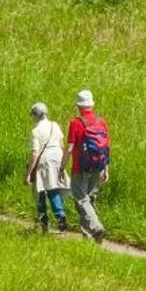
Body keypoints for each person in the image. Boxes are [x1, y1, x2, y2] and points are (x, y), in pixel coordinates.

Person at [67, 89, 110, 242]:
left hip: (80, 168)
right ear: (91, 105)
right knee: (90, 200)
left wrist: (61, 167)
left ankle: (96, 227)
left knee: (81, 199)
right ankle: (90, 237)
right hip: (98, 166)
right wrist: (106, 168)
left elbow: (70, 148)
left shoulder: (76, 123)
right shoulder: (101, 121)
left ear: (79, 106)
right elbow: (106, 147)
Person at [26, 102, 69, 232]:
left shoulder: (35, 131)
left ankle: (43, 220)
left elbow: (35, 153)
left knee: (40, 190)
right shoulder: (54, 125)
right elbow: (61, 144)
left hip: (44, 159)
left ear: (36, 115)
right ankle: (60, 215)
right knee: (53, 188)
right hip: (58, 156)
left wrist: (28, 173)